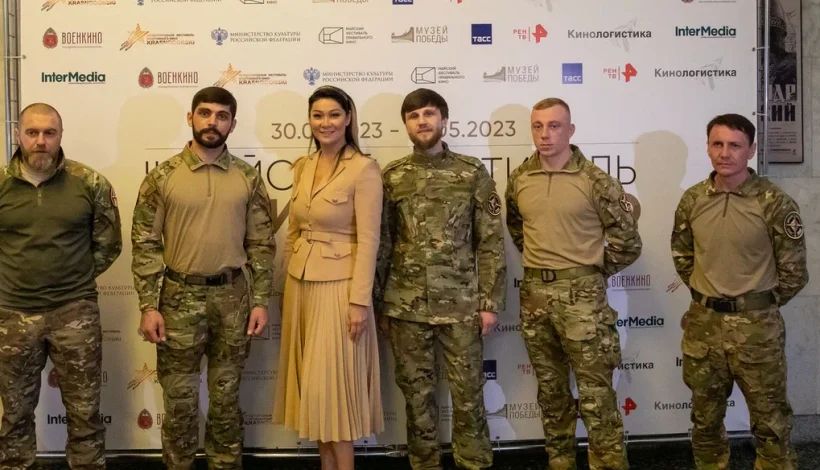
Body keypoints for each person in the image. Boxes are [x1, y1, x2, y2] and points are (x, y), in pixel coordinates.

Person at [132, 87, 275, 470]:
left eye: (222, 115)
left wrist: (261, 300)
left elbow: (261, 244)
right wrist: (148, 306)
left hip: (233, 299)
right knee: (179, 403)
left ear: (232, 123)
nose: (213, 122)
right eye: (205, 113)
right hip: (178, 300)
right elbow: (145, 245)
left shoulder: (248, 178)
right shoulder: (162, 178)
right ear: (191, 118)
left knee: (226, 402)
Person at [505, 98, 641, 470]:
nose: (545, 134)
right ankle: (560, 461)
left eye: (554, 126)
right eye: (537, 126)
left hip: (583, 301)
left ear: (571, 130)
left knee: (596, 396)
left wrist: (589, 273)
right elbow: (517, 228)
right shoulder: (520, 178)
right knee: (551, 393)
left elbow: (628, 242)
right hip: (535, 297)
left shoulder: (595, 181)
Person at [375, 88, 506, 470]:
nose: (422, 122)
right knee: (417, 399)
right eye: (414, 116)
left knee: (469, 396)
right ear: (406, 125)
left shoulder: (471, 172)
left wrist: (489, 302)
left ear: (444, 120)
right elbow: (383, 244)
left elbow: (490, 242)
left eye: (429, 114)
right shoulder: (393, 177)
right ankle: (424, 464)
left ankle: (474, 463)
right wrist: (380, 303)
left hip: (461, 307)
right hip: (406, 307)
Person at [671, 113, 808, 470]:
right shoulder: (692, 199)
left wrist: (757, 305)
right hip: (703, 327)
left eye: (735, 145)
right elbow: (683, 256)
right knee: (705, 420)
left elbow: (794, 272)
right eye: (717, 144)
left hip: (756, 329)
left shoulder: (773, 202)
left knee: (770, 422)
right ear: (707, 147)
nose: (725, 153)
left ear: (751, 150)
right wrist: (708, 296)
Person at [0, 103, 122, 469]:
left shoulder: (90, 183)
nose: (40, 141)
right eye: (32, 133)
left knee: (85, 413)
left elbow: (109, 244)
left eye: (49, 133)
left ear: (60, 136)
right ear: (18, 134)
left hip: (74, 313)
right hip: (12, 316)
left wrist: (72, 277)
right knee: (15, 413)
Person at [273, 85, 384, 470]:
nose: (326, 123)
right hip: (300, 285)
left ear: (348, 118)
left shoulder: (364, 169)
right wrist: (283, 287)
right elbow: (293, 232)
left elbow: (369, 240)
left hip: (340, 289)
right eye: (318, 115)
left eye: (334, 114)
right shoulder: (303, 166)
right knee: (316, 399)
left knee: (335, 397)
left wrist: (359, 301)